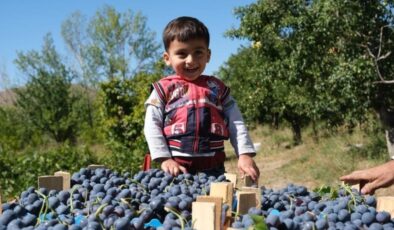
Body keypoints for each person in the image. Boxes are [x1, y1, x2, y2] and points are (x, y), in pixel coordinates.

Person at [143, 16, 260, 181]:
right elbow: (151, 125)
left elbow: (236, 122)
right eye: (181, 54)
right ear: (167, 58)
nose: (190, 60)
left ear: (208, 55)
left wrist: (244, 154)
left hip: (214, 169)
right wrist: (164, 158)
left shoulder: (217, 88)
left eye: (198, 52)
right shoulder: (163, 89)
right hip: (175, 168)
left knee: (215, 204)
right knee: (178, 204)